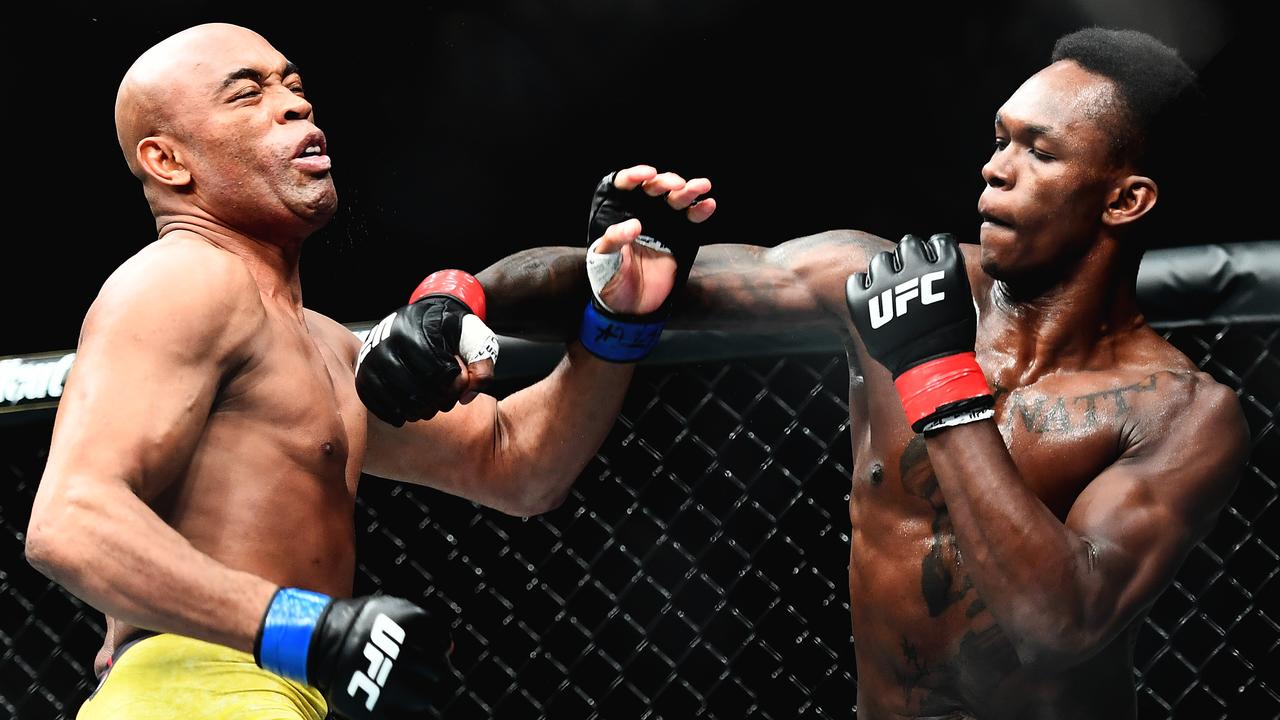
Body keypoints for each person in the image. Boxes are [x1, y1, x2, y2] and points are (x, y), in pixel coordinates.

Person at [477, 28, 1247, 718]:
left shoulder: (1181, 415)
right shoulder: (878, 279)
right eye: (999, 139)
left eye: (1038, 152)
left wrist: (936, 375)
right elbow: (597, 281)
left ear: (1126, 199)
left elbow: (1061, 624)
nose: (994, 170)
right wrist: (462, 296)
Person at [24, 22, 714, 720]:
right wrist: (310, 630)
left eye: (295, 87)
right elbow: (70, 522)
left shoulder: (323, 344)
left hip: (289, 689)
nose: (295, 106)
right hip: (192, 687)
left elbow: (518, 464)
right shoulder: (179, 281)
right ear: (168, 162)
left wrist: (618, 321)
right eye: (247, 96)